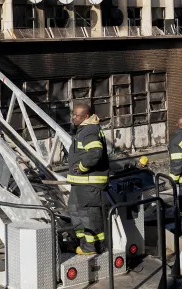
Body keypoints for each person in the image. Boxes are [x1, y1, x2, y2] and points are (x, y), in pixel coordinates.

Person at [67, 103, 110, 255]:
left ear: (86, 117)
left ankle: (92, 247)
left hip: (89, 184)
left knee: (89, 215)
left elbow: (95, 153)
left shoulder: (89, 131)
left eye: (77, 115)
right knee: (74, 209)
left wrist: (82, 166)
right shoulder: (84, 129)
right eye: (73, 114)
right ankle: (83, 242)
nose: (73, 118)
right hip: (80, 183)